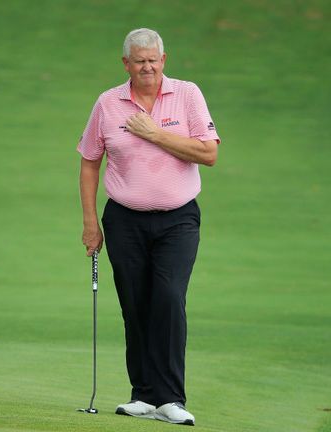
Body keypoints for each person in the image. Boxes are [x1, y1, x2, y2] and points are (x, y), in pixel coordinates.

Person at [77, 28, 220, 426]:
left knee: (169, 299)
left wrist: (155, 134)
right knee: (135, 303)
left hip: (178, 219)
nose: (147, 67)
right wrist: (90, 222)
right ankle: (143, 394)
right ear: (126, 64)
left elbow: (208, 153)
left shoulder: (187, 95)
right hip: (124, 219)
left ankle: (171, 398)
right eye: (139, 61)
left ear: (164, 60)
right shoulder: (108, 103)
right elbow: (89, 162)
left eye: (153, 60)